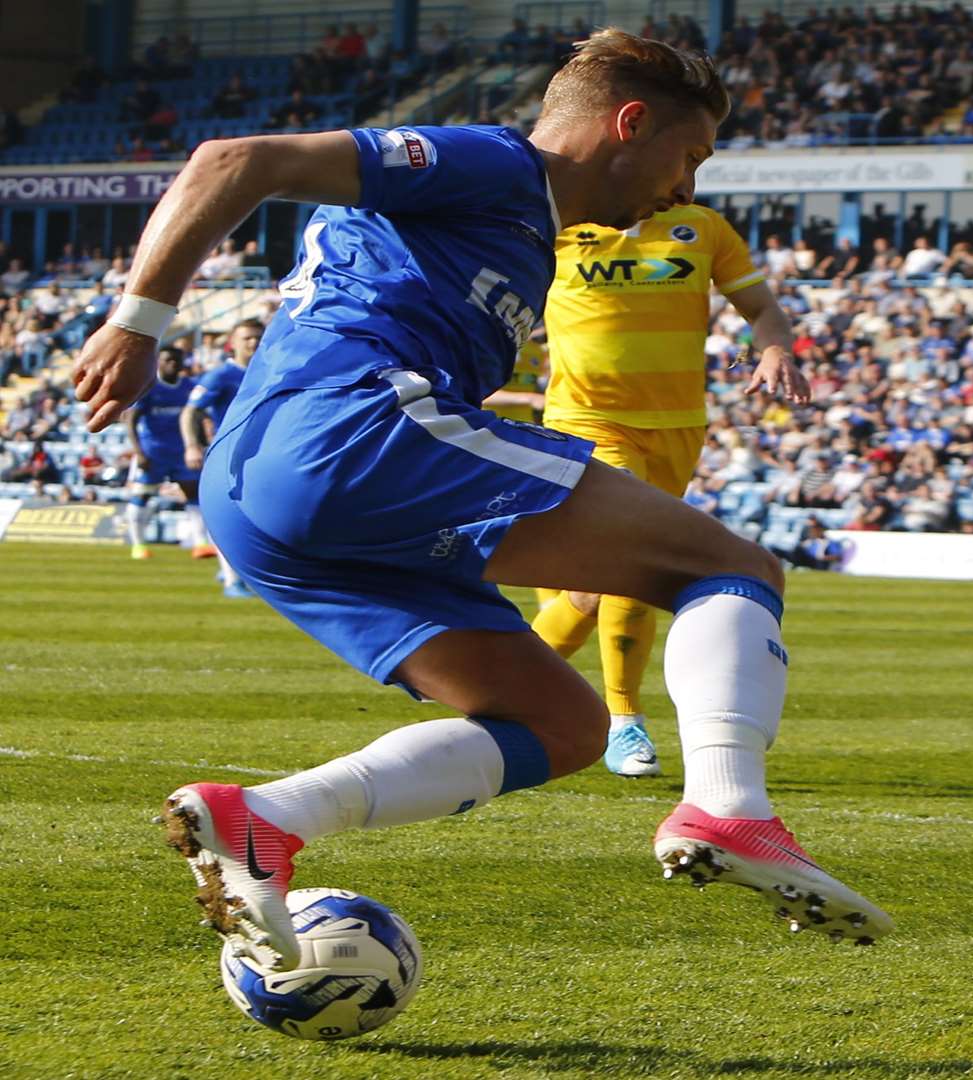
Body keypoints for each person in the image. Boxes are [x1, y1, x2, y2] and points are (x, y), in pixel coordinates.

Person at [71, 31, 891, 979]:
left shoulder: (527, 230)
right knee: (735, 567)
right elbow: (237, 160)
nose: (686, 188)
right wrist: (138, 322)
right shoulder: (500, 165)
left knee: (562, 728)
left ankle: (264, 821)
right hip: (348, 429)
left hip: (262, 496)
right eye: (689, 155)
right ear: (630, 123)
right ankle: (728, 806)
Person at [531, 193, 804, 778]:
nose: (685, 175)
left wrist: (775, 348)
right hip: (585, 421)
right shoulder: (558, 227)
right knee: (630, 558)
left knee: (592, 588)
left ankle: (515, 677)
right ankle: (623, 719)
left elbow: (760, 308)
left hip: (678, 426)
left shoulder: (701, 228)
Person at [180, 318, 262, 594]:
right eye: (247, 338)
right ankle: (232, 580)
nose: (254, 343)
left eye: (258, 337)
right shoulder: (220, 376)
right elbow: (191, 411)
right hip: (229, 455)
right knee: (230, 517)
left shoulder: (271, 370)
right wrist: (193, 445)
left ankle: (235, 569)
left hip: (266, 455)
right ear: (232, 343)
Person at [122, 345, 199, 560]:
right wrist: (139, 452)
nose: (173, 364)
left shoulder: (190, 387)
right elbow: (131, 421)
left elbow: (197, 417)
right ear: (158, 362)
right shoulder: (149, 387)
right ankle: (138, 545)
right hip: (153, 452)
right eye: (167, 360)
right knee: (143, 494)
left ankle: (201, 543)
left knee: (193, 492)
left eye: (176, 360)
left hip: (181, 451)